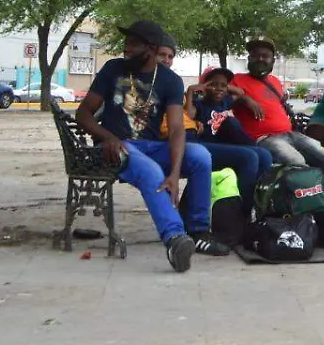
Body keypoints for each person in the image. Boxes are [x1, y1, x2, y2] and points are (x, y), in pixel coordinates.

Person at [75, 20, 227, 272]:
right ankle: (175, 238)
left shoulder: (169, 80)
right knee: (151, 171)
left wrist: (176, 173)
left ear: (151, 48)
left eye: (133, 44)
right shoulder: (113, 69)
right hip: (117, 148)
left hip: (152, 146)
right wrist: (108, 137)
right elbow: (83, 114)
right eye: (126, 43)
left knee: (200, 156)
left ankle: (199, 232)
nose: (127, 49)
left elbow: (177, 128)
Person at [231, 38, 324, 172]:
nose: (260, 59)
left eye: (265, 56)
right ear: (249, 58)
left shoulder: (275, 82)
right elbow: (222, 91)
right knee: (296, 163)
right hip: (264, 138)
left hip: (291, 134)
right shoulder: (237, 79)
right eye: (255, 55)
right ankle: (307, 190)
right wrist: (246, 99)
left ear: (272, 61)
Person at [183, 66, 275, 208]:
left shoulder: (224, 101)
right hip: (207, 145)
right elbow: (188, 116)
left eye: (223, 85)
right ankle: (245, 208)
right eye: (213, 84)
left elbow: (239, 92)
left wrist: (223, 88)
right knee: (248, 153)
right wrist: (191, 91)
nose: (219, 89)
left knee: (265, 155)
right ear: (204, 86)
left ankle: (261, 203)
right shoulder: (200, 105)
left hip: (224, 143)